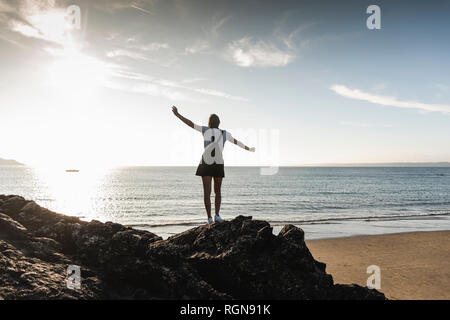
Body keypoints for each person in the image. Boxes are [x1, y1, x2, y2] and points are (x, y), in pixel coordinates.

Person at [172, 106, 255, 225]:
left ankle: (209, 218)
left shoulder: (205, 130)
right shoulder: (225, 133)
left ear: (209, 122)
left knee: (207, 192)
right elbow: (237, 142)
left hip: (206, 162)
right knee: (218, 192)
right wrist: (249, 149)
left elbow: (190, 123)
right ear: (219, 123)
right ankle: (217, 215)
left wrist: (178, 115)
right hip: (218, 162)